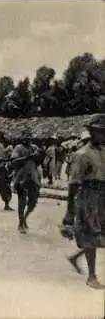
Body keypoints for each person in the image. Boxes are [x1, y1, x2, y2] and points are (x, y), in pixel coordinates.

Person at [60, 114, 105, 289]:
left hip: (102, 196)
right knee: (91, 235)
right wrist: (69, 213)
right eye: (101, 132)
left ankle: (75, 257)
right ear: (92, 133)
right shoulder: (82, 155)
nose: (103, 136)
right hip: (87, 198)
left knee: (99, 235)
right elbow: (73, 186)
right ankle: (91, 276)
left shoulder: (103, 152)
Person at [10, 129, 43, 234]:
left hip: (33, 176)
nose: (27, 140)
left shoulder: (34, 148)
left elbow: (39, 161)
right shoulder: (18, 148)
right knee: (22, 201)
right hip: (21, 177)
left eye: (28, 138)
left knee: (33, 201)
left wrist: (40, 155)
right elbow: (14, 161)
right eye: (25, 138)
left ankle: (24, 218)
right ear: (22, 138)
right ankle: (21, 222)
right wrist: (28, 157)